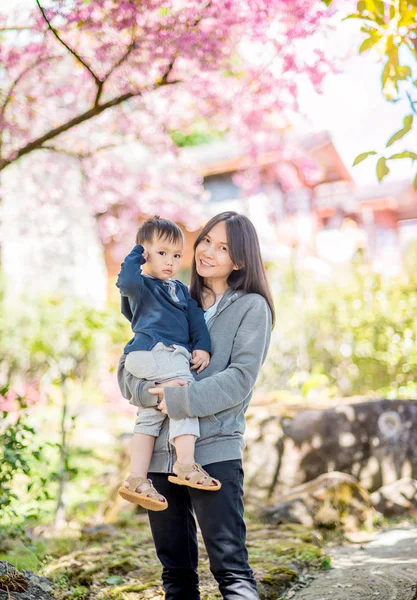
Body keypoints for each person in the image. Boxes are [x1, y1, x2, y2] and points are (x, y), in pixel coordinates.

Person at [117, 211, 275, 599]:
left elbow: (240, 379)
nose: (207, 252)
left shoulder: (252, 307)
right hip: (158, 456)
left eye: (223, 248)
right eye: (205, 240)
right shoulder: (169, 294)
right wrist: (150, 395)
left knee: (231, 571)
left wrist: (178, 399)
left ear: (239, 260)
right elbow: (126, 371)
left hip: (214, 450)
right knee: (176, 573)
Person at [116, 216, 221, 512]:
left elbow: (196, 320)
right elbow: (125, 280)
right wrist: (138, 254)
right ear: (145, 253)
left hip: (161, 358)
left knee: (149, 417)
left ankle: (136, 478)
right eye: (162, 253)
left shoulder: (180, 291)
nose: (170, 262)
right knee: (183, 394)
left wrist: (202, 346)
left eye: (176, 255)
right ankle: (185, 465)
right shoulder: (141, 287)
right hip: (152, 351)